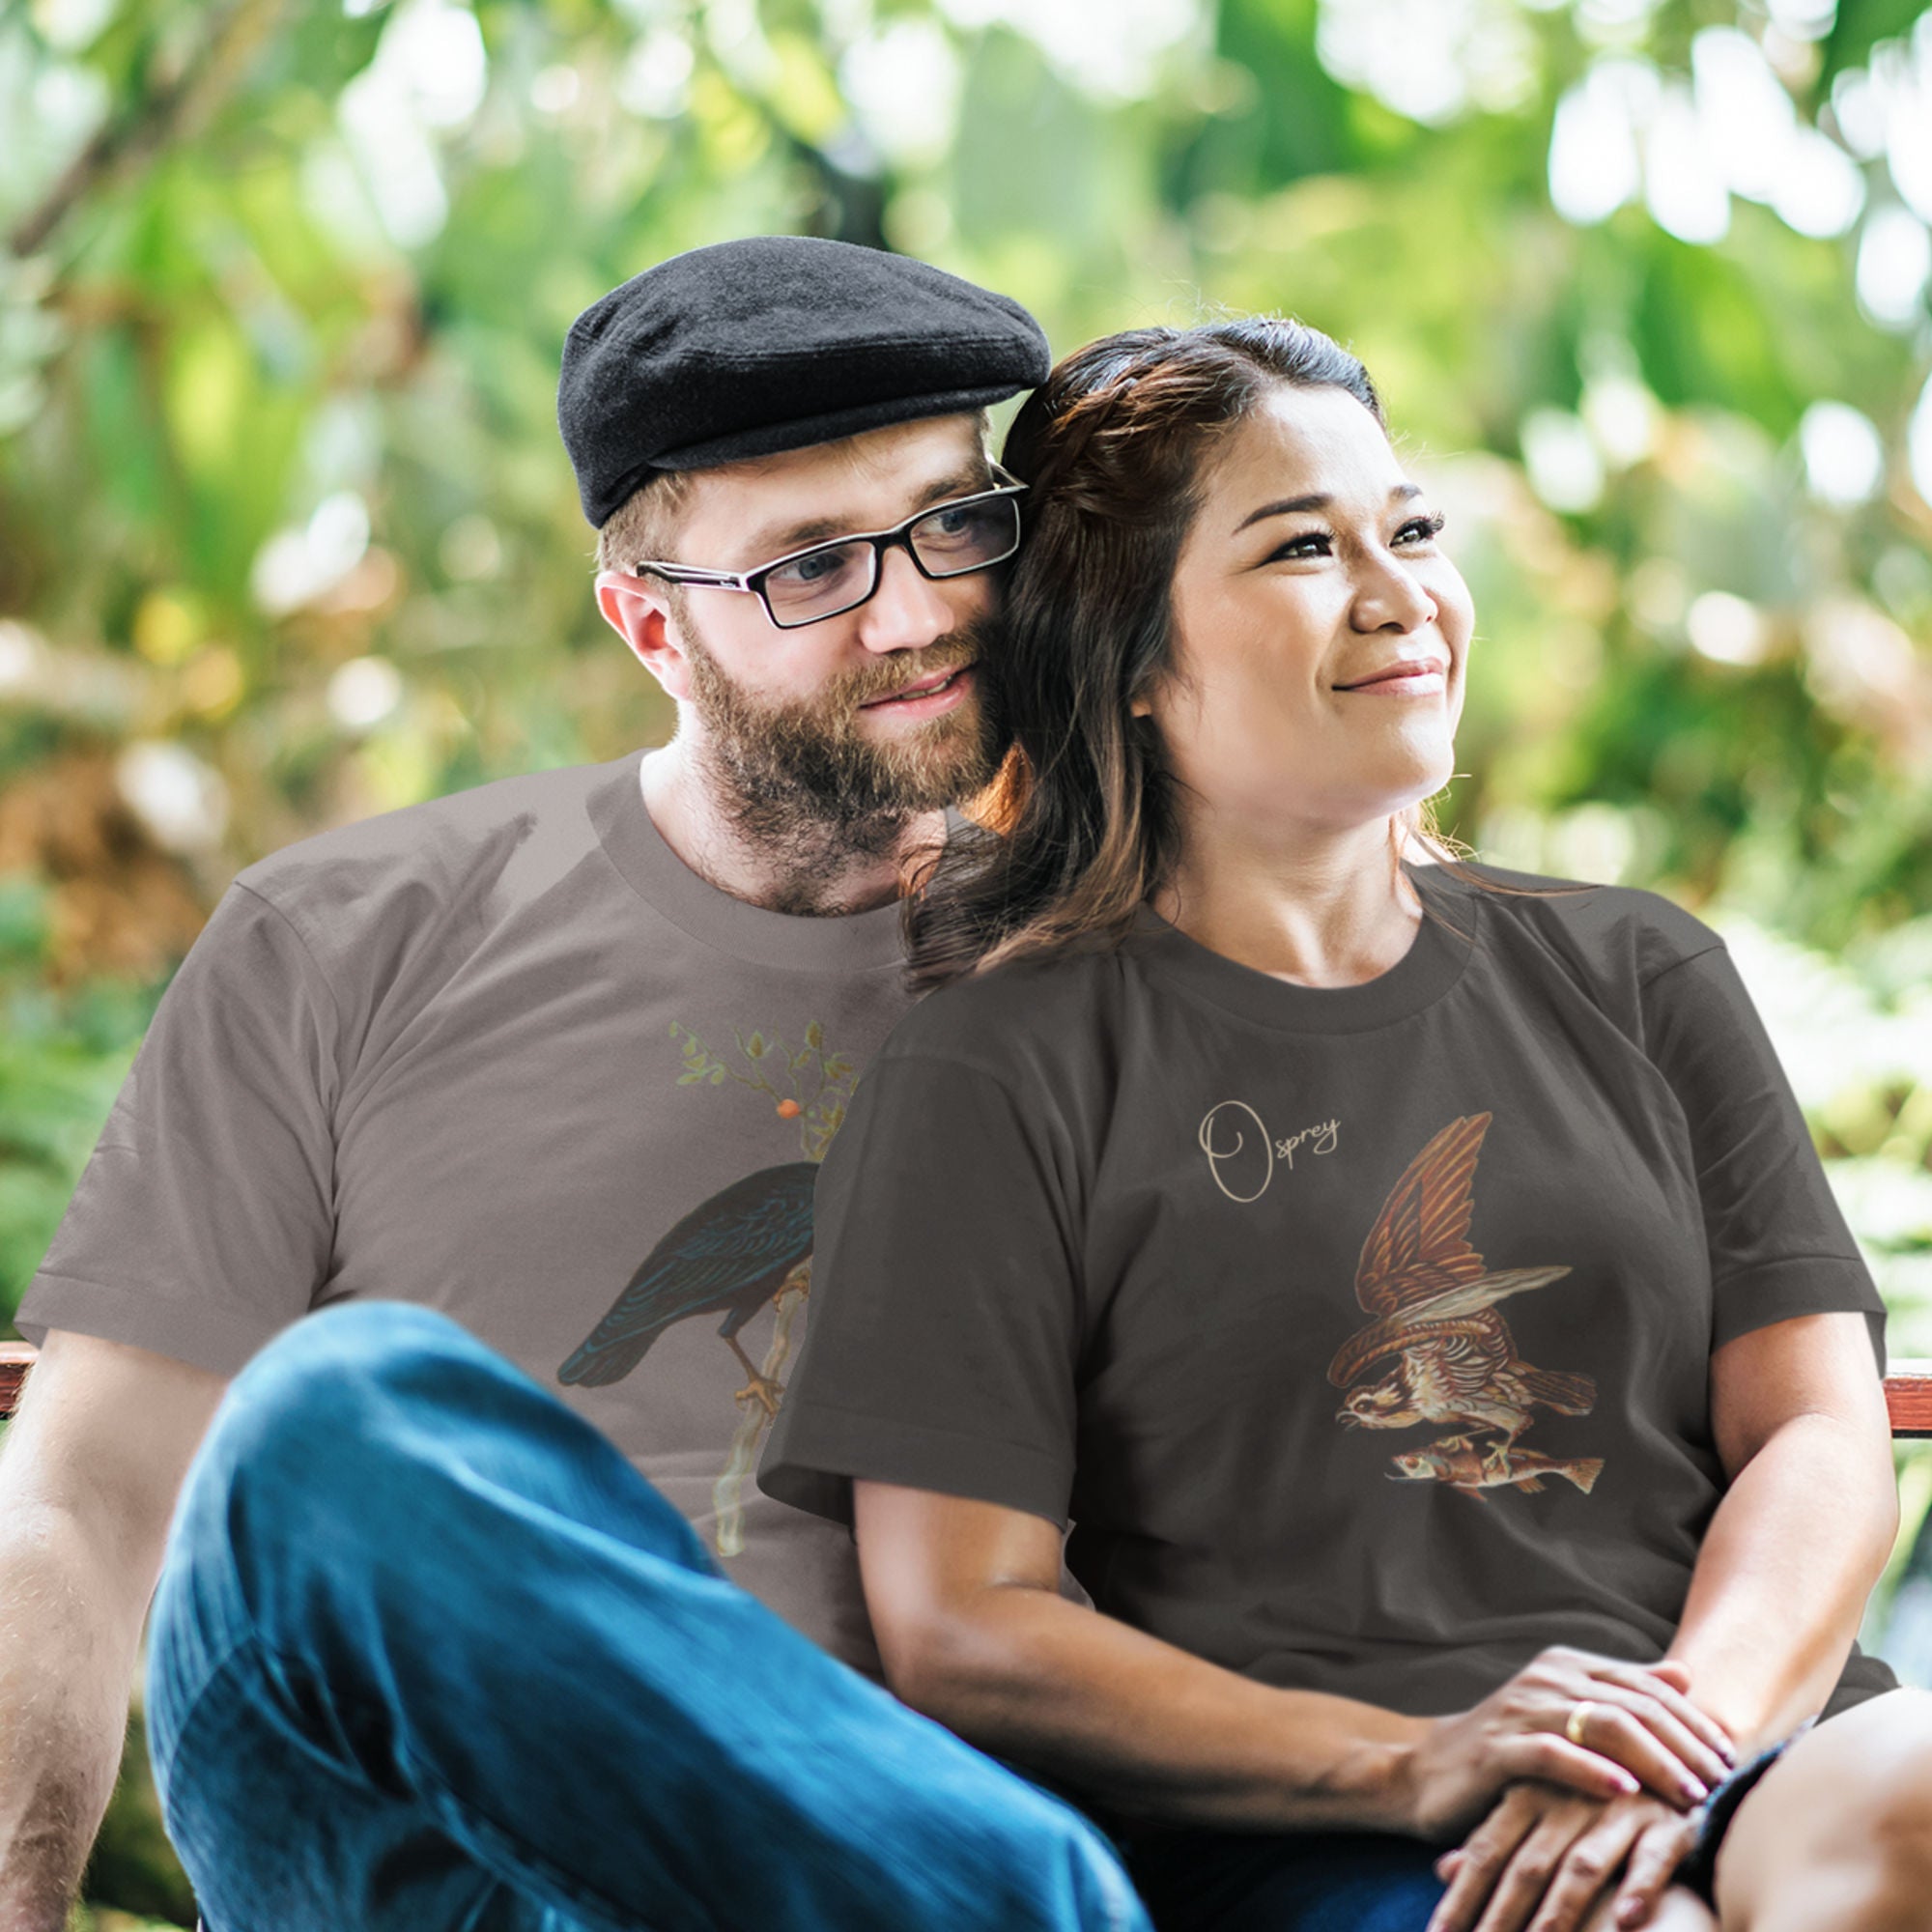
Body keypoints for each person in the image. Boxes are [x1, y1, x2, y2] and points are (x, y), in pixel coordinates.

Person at [0, 236, 1157, 1932]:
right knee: (331, 1424)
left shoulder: (1141, 963)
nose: (914, 609)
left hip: (938, 1849)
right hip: (463, 1881)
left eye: (945, 521)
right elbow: (87, 1504)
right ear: (646, 626)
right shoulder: (342, 942)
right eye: (811, 568)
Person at [758, 317, 1932, 1932]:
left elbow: (1819, 1433)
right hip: (1350, 1824)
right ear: (1138, 663)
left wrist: (1675, 1739)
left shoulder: (1638, 968)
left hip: (1740, 1729)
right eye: (1304, 546)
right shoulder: (996, 1068)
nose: (1400, 594)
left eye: (1414, 530)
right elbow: (965, 1622)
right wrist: (1418, 1761)